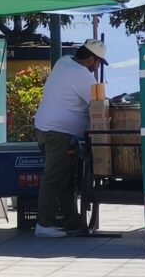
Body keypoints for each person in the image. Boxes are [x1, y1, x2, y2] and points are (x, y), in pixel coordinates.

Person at [32, 39, 107, 230]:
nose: (97, 68)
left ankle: (71, 220)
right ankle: (44, 224)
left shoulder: (63, 61)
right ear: (91, 59)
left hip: (44, 128)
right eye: (98, 63)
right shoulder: (83, 76)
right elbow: (99, 103)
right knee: (55, 178)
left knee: (66, 178)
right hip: (60, 134)